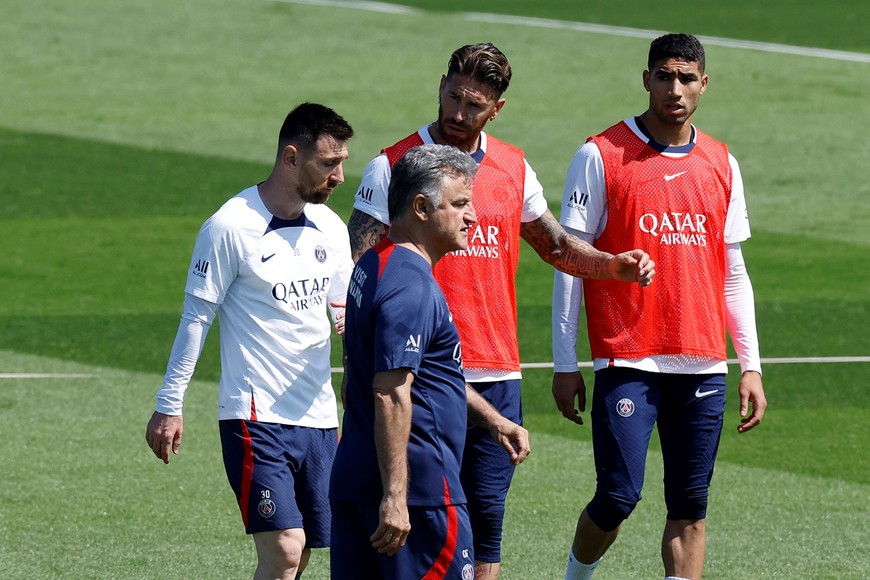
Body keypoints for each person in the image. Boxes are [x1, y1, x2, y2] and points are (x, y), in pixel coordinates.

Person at [347, 42, 655, 580]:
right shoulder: (392, 166)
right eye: (453, 97)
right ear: (440, 84)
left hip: (497, 375)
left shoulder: (513, 167)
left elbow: (556, 246)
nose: (459, 114)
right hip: (421, 374)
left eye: (474, 105)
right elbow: (358, 268)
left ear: (497, 108)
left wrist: (612, 266)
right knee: (411, 526)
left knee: (486, 531)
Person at [551, 34, 768, 580]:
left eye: (686, 77)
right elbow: (570, 261)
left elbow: (733, 272)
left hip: (702, 361)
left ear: (703, 84)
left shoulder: (722, 162)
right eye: (664, 76)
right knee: (619, 495)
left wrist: (752, 365)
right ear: (646, 78)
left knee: (691, 508)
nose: (675, 88)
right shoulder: (600, 154)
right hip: (627, 357)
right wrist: (563, 362)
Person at [145, 102, 355, 580]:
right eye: (328, 163)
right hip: (255, 416)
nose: (340, 176)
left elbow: (343, 314)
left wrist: (363, 375)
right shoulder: (229, 226)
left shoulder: (331, 228)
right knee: (285, 549)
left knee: (299, 555)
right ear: (290, 158)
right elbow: (197, 317)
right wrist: (169, 403)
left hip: (319, 417)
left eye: (342, 162)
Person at [330, 144, 532, 580]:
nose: (472, 216)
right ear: (421, 207)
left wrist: (493, 420)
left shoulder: (373, 266)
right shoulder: (411, 287)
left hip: (356, 480)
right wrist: (396, 497)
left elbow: (424, 375)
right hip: (419, 497)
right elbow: (391, 393)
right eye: (459, 204)